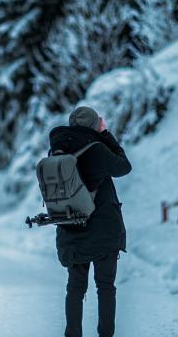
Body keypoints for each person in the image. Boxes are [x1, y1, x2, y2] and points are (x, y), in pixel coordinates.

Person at [49, 106, 132, 337]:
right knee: (105, 287)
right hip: (103, 229)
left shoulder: (56, 151)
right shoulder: (96, 149)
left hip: (71, 227)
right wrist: (105, 134)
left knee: (75, 287)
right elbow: (124, 166)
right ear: (95, 125)